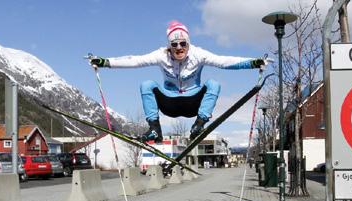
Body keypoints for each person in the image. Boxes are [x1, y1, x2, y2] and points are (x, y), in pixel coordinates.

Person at [89, 20, 267, 143]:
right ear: (169, 46)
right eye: (174, 45)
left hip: (193, 103)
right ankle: (154, 130)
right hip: (170, 103)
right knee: (146, 84)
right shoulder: (161, 55)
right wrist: (106, 62)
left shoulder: (199, 54)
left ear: (188, 44)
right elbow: (135, 60)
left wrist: (252, 63)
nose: (179, 48)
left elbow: (224, 61)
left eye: (183, 44)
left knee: (214, 83)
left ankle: (199, 125)